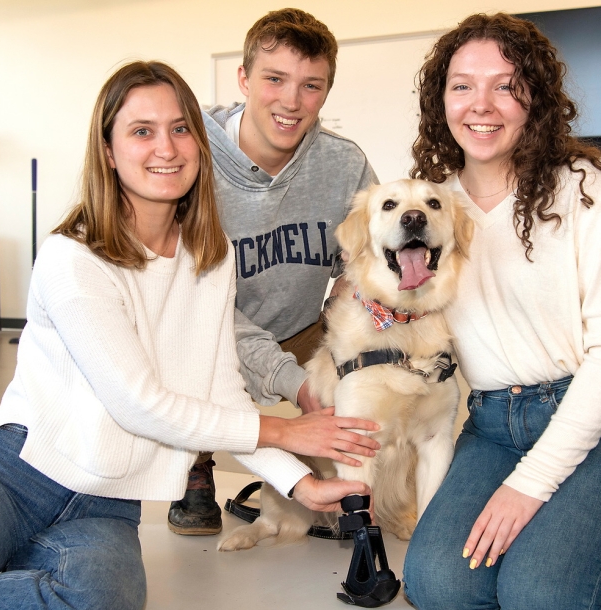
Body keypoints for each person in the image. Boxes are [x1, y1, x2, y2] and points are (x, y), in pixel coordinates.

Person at [0, 60, 380, 610]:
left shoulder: (210, 258)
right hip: (10, 474)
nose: (165, 148)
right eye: (141, 131)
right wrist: (286, 429)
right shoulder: (74, 256)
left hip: (104, 503)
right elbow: (137, 402)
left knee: (101, 603)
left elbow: (221, 395)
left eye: (179, 129)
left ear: (200, 142)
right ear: (109, 151)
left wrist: (301, 481)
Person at [400, 14, 601, 610]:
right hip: (493, 428)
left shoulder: (582, 187)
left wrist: (530, 486)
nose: (480, 105)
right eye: (461, 85)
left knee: (540, 596)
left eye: (505, 84)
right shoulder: (432, 202)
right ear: (441, 101)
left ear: (534, 97)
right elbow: (388, 283)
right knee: (439, 586)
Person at [168, 8, 379, 536]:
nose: (292, 101)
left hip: (303, 324)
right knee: (179, 342)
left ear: (326, 92)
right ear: (242, 79)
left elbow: (368, 261)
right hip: (209, 328)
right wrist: (293, 382)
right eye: (274, 79)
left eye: (311, 86)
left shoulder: (344, 164)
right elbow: (200, 303)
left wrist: (340, 320)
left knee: (367, 353)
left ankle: (351, 472)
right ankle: (195, 465)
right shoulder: (191, 163)